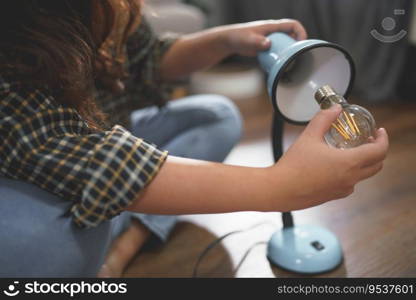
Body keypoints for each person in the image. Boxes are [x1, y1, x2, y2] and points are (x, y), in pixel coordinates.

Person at [0, 0, 388, 277]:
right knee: (42, 253)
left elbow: (149, 57)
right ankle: (114, 220)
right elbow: (73, 151)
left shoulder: (110, 10)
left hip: (108, 133)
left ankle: (130, 231)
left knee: (218, 116)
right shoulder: (15, 46)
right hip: (35, 167)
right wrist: (280, 186)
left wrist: (224, 41)